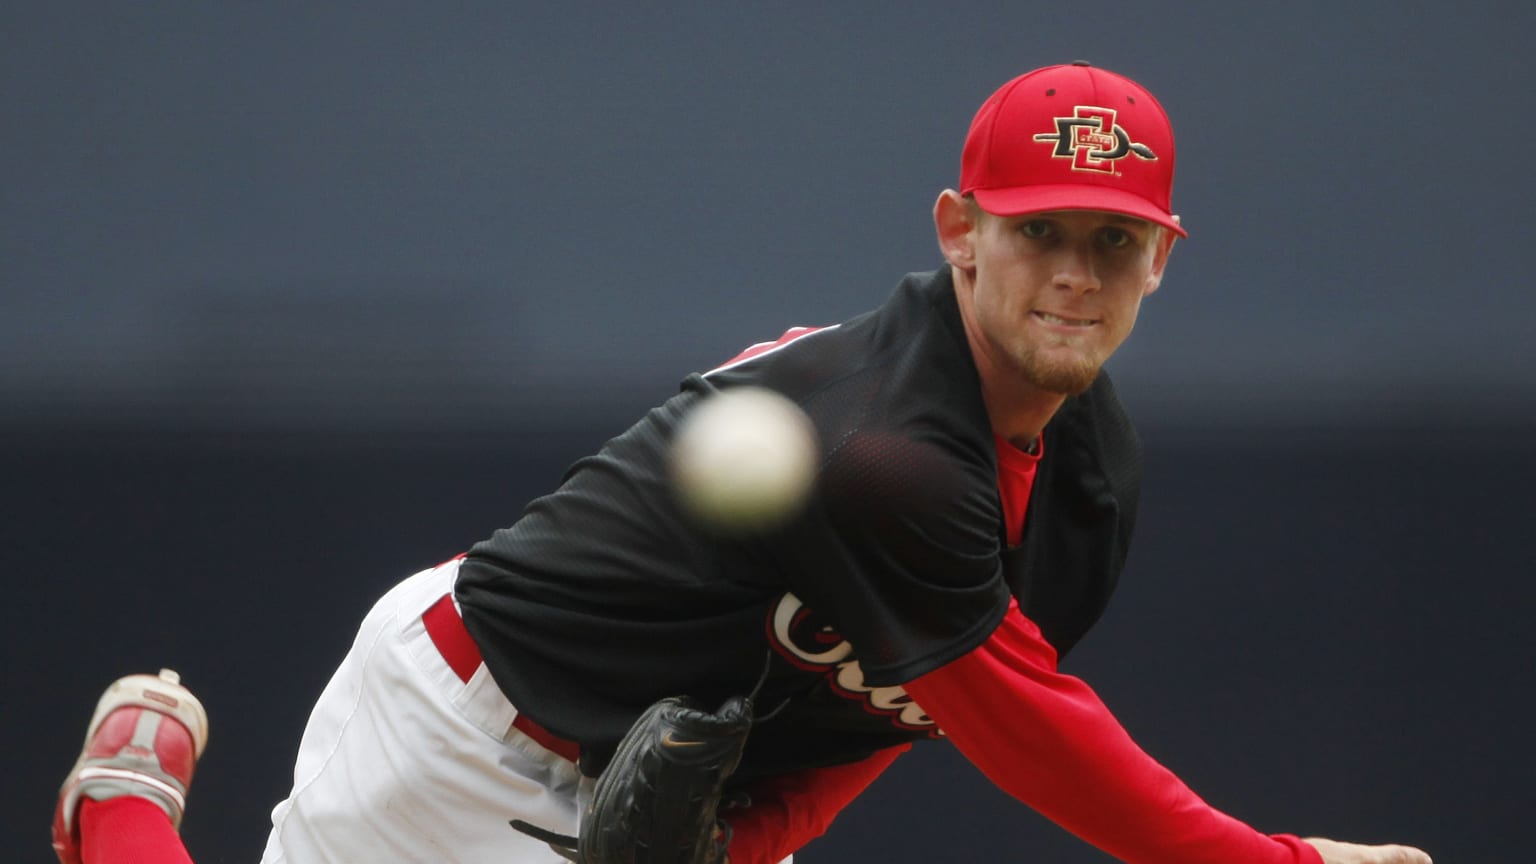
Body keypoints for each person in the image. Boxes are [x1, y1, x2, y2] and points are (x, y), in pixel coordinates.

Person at [52, 62, 1433, 864]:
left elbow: (912, 711)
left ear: (1165, 258)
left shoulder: (1091, 481)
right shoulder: (889, 444)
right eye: (1039, 232)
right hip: (471, 736)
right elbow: (1033, 737)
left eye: (1112, 241)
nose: (1075, 273)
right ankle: (124, 806)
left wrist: (745, 844)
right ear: (959, 228)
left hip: (630, 787)